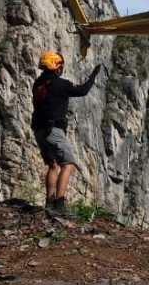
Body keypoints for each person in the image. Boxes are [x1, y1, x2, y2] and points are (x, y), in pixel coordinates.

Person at [31, 51, 102, 212]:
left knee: (53, 165)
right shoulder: (60, 84)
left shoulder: (38, 84)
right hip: (54, 130)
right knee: (68, 164)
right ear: (56, 67)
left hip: (39, 130)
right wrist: (93, 76)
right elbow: (82, 90)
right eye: (60, 66)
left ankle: (49, 201)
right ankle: (60, 202)